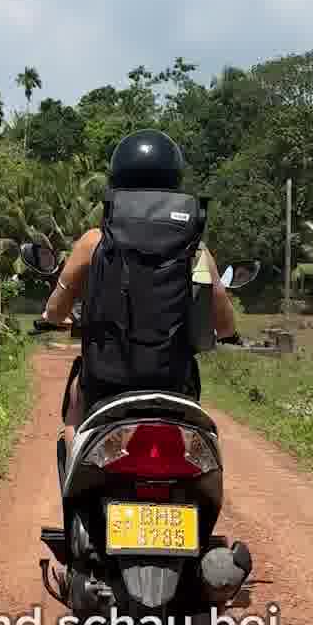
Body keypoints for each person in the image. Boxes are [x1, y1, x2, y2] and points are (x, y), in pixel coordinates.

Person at [41, 129, 238, 455]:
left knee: (75, 409)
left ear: (117, 179)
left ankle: (75, 484)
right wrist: (229, 334)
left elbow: (57, 308)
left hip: (105, 379)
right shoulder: (194, 249)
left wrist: (51, 318)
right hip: (174, 381)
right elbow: (224, 318)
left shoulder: (94, 242)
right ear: (174, 179)